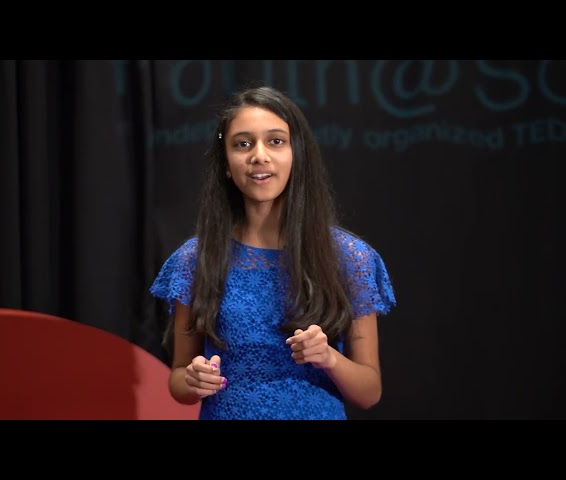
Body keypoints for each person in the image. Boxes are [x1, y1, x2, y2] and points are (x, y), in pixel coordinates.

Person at [150, 84, 396, 420]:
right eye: (243, 144)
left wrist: (328, 357)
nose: (259, 156)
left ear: (297, 154)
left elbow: (370, 392)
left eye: (276, 141)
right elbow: (179, 380)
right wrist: (193, 379)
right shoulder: (195, 259)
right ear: (226, 163)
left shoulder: (349, 257)